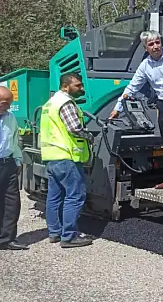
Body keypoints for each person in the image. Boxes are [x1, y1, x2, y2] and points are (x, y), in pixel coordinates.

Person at [109, 30, 163, 195]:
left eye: (157, 42)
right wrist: (117, 108)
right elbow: (132, 88)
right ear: (145, 48)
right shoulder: (145, 66)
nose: (156, 46)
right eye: (151, 44)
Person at [39, 73, 94, 248]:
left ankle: (54, 232)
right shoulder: (66, 103)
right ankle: (69, 236)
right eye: (78, 85)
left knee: (54, 197)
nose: (82, 88)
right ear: (65, 86)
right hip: (66, 156)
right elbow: (74, 128)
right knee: (76, 195)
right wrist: (90, 135)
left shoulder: (49, 104)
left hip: (51, 157)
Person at [0, 86, 29, 250]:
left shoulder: (10, 117)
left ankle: (7, 239)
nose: (9, 107)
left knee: (12, 202)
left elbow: (14, 139)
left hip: (8, 163)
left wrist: (18, 161)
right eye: (5, 103)